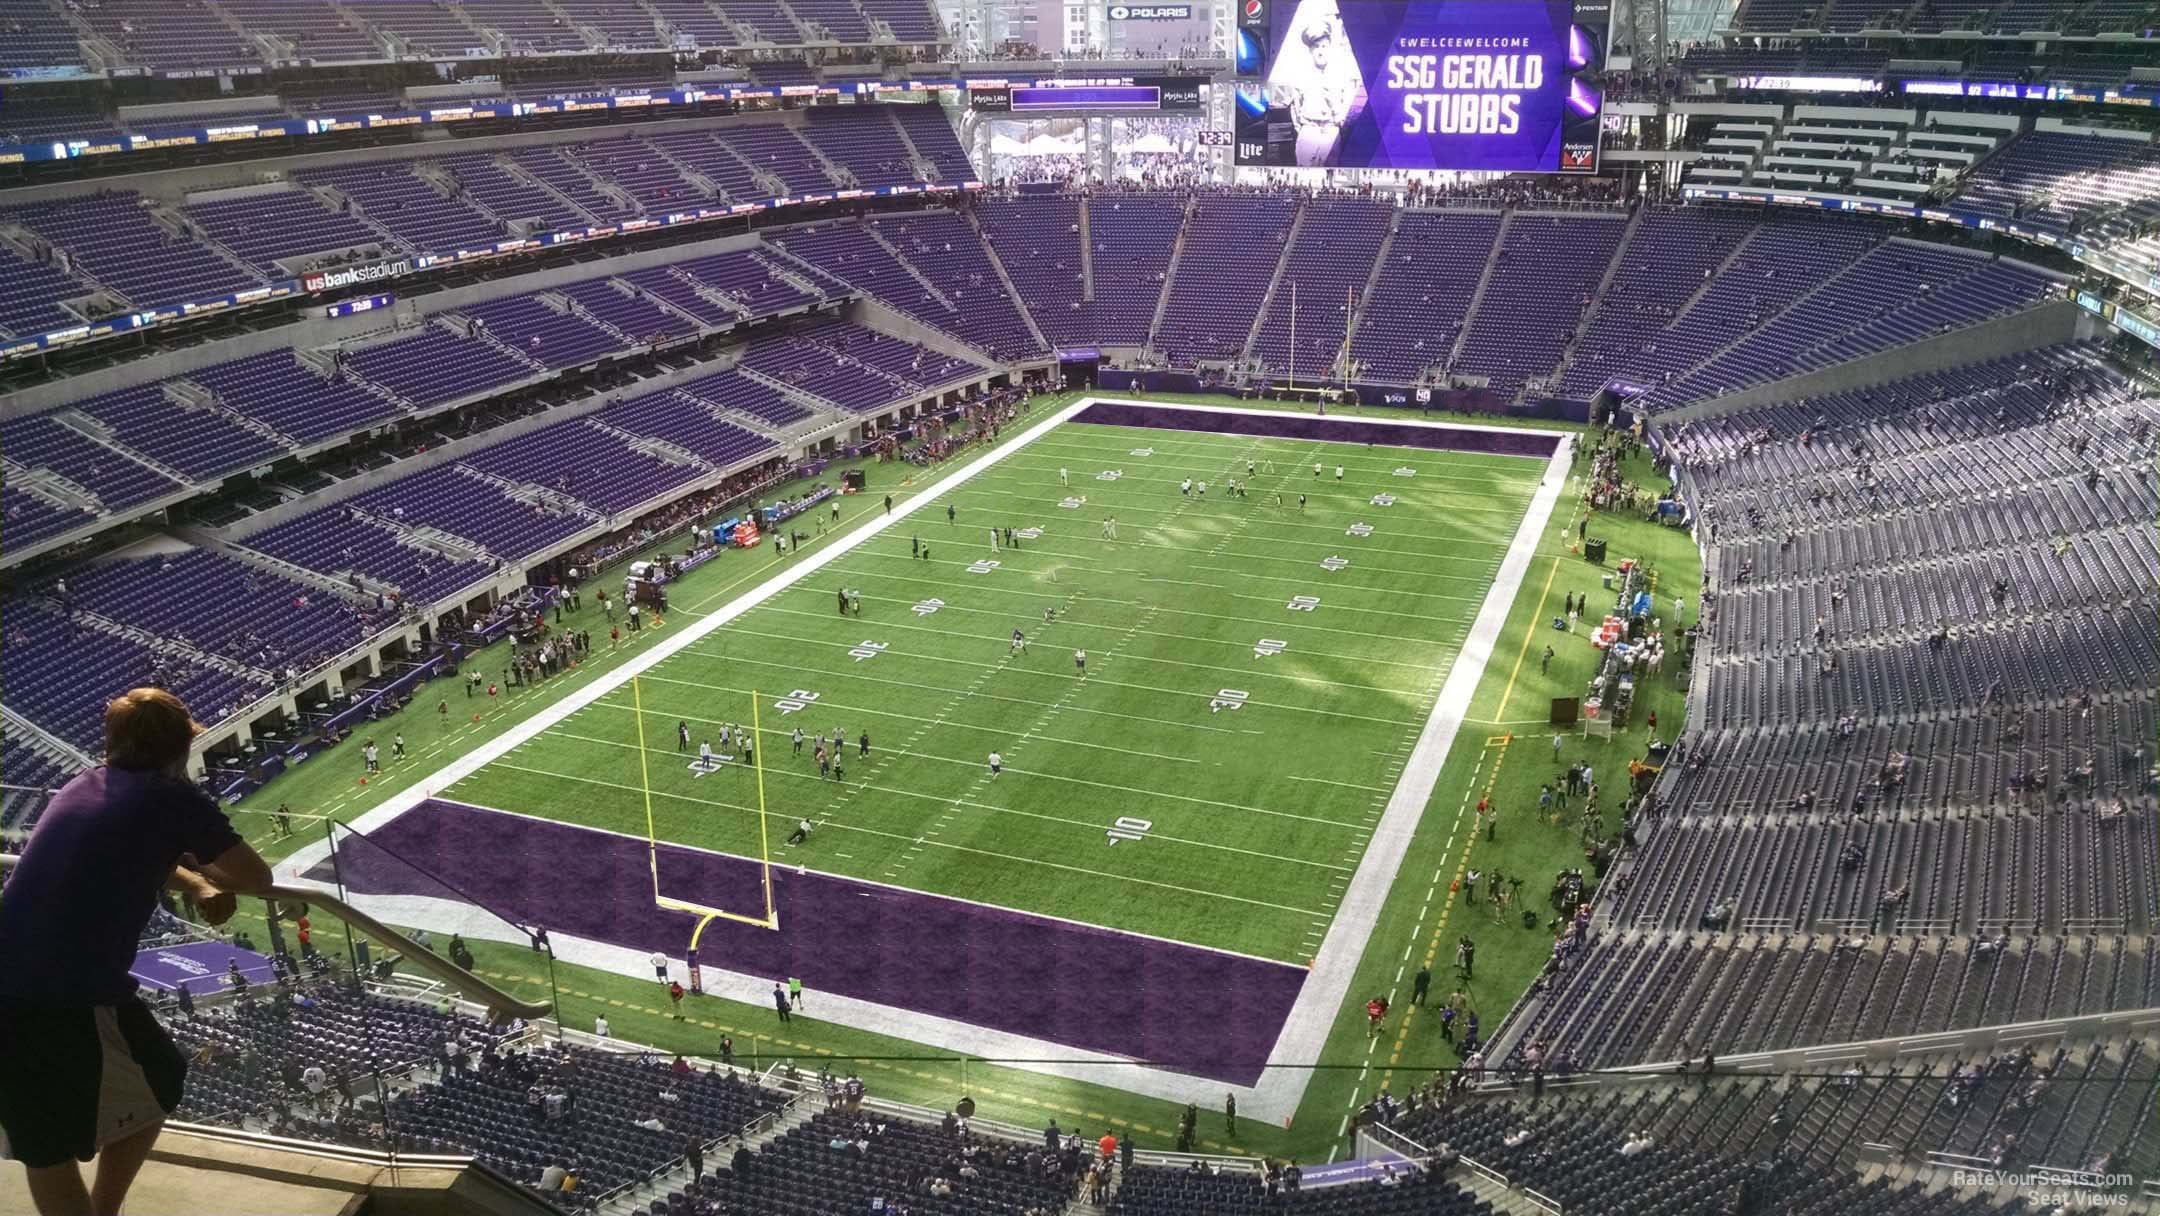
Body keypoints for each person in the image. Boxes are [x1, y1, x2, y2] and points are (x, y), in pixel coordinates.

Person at [0, 689, 276, 1216]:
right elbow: (254, 876)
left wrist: (193, 884)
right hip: (62, 992)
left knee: (59, 1134)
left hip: (25, 975)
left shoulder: (86, 783)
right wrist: (208, 876)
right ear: (180, 749)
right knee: (61, 1138)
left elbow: (130, 846)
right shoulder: (171, 798)